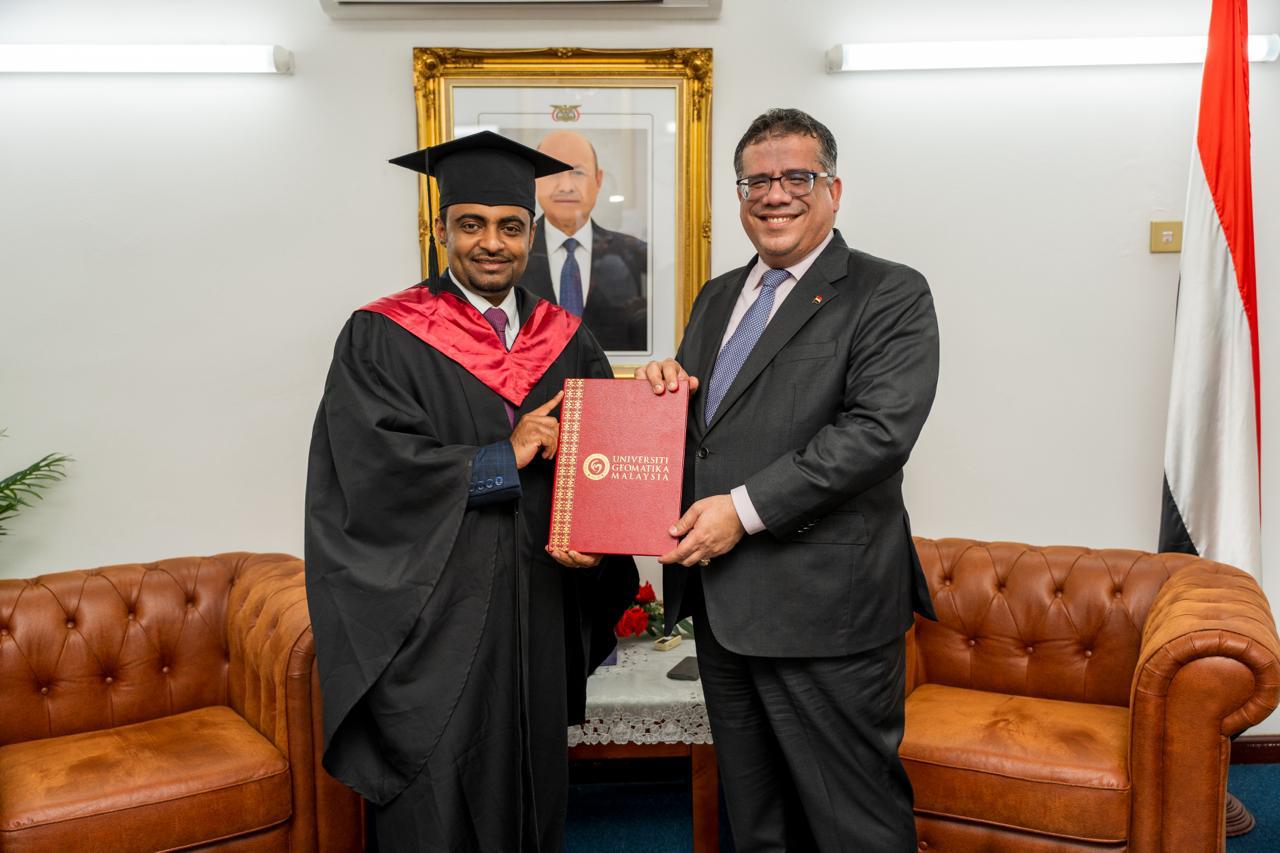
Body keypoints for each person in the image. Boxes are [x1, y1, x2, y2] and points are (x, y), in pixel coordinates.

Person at [305, 130, 638, 853]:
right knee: (439, 797)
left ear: (532, 235)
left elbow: (605, 465)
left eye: (510, 227)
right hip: (438, 621)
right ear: (440, 230)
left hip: (541, 605)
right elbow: (366, 470)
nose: (492, 243)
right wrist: (498, 458)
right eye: (472, 225)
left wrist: (598, 540)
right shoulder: (381, 336)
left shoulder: (568, 339)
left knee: (535, 788)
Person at [635, 108, 939, 852]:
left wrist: (741, 511)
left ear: (834, 189)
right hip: (723, 610)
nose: (775, 194)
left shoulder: (888, 292)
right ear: (740, 196)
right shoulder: (717, 296)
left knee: (853, 825)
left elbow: (876, 434)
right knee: (758, 823)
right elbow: (711, 429)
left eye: (797, 177)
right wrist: (664, 388)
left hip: (825, 612)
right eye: (757, 181)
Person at [520, 129, 649, 352]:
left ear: (598, 180)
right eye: (553, 173)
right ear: (534, 181)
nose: (566, 187)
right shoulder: (511, 254)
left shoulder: (635, 255)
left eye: (578, 172)